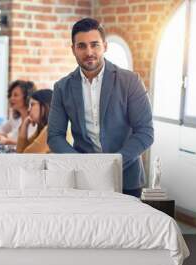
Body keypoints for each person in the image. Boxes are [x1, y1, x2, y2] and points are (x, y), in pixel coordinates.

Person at [47, 18, 154, 197]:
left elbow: (145, 132)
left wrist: (113, 163)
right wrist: (81, 165)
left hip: (125, 176)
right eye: (81, 46)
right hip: (82, 180)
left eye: (94, 45)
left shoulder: (130, 81)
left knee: (126, 226)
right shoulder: (62, 87)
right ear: (73, 49)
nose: (89, 52)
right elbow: (54, 136)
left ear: (105, 46)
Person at [0, 80, 37, 145]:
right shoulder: (15, 118)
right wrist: (4, 135)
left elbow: (29, 145)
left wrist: (7, 141)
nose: (11, 98)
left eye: (15, 95)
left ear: (27, 97)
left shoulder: (34, 120)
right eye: (10, 95)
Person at [17, 89, 52, 153]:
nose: (28, 110)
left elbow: (24, 157)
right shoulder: (42, 129)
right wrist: (25, 125)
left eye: (32, 105)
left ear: (45, 106)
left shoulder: (51, 130)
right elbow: (20, 152)